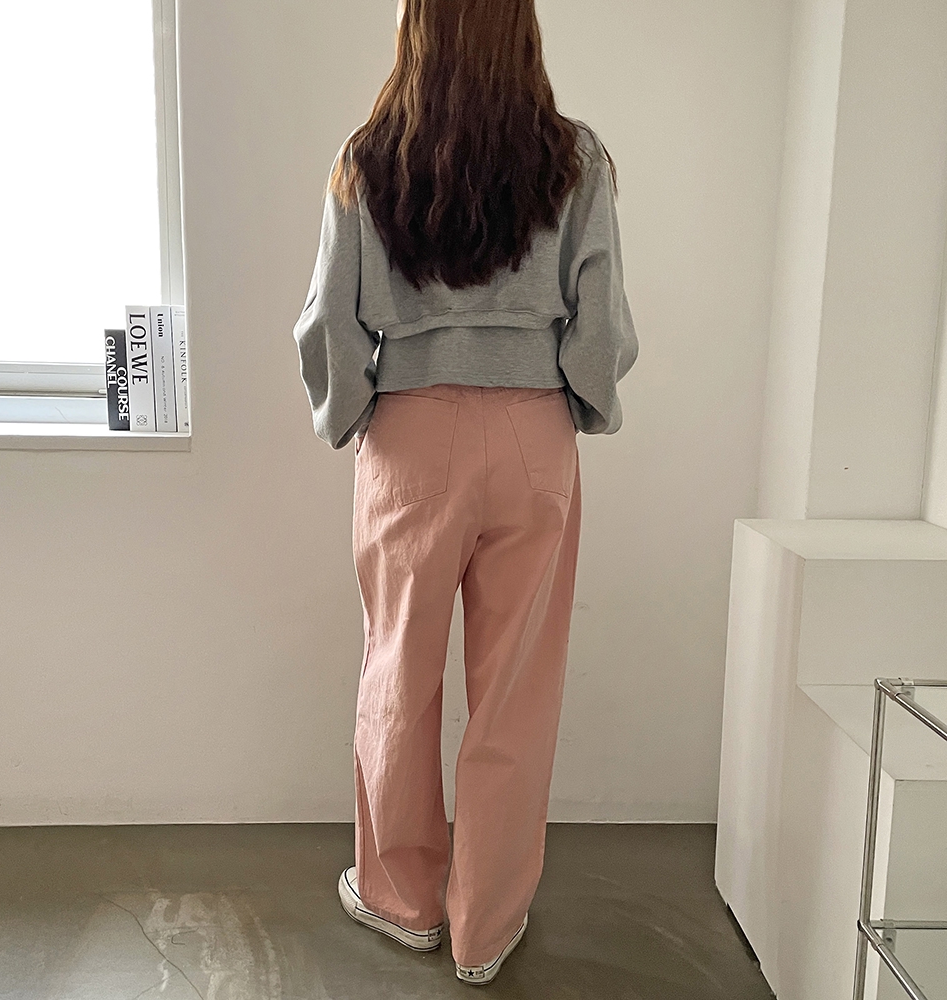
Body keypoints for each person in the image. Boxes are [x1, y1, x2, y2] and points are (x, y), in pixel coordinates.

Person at [293, 0, 638, 984]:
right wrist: (579, 404)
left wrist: (353, 413)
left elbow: (328, 322)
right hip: (533, 437)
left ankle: (402, 898)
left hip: (410, 439)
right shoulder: (577, 159)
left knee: (398, 673)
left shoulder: (368, 158)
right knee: (517, 693)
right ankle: (485, 923)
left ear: (419, 29)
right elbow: (603, 323)